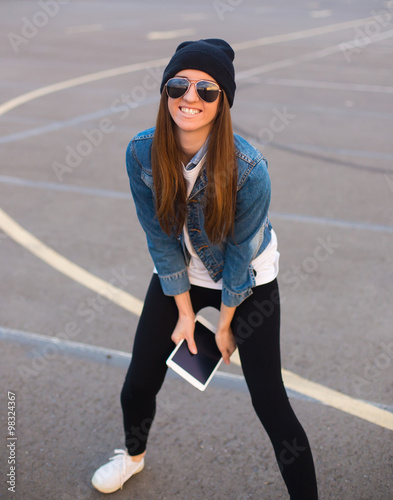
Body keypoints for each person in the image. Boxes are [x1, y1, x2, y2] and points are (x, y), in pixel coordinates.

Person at [91, 38, 319, 499]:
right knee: (137, 384)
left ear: (223, 101)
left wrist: (227, 322)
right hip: (185, 273)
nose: (189, 97)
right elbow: (158, 237)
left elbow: (240, 252)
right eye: (178, 85)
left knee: (271, 404)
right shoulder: (142, 153)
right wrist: (183, 310)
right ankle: (132, 459)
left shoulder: (249, 169)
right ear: (165, 92)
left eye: (207, 90)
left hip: (249, 278)